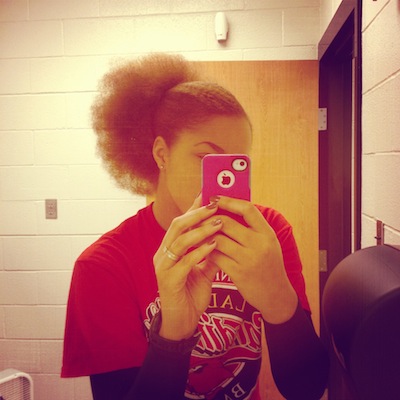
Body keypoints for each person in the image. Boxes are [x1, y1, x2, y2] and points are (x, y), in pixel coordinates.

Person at [61, 53, 329, 400]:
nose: (223, 178)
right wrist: (173, 332)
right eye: (207, 158)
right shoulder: (103, 266)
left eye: (237, 163)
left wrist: (278, 299)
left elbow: (307, 389)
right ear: (162, 154)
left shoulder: (269, 235)